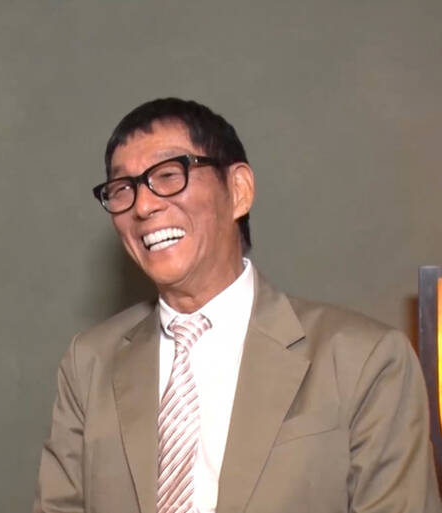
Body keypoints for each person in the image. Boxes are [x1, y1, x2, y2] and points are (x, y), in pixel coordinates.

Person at [34, 98, 441, 513]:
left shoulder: (365, 359)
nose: (143, 205)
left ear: (239, 191)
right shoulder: (90, 363)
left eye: (168, 175)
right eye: (123, 188)